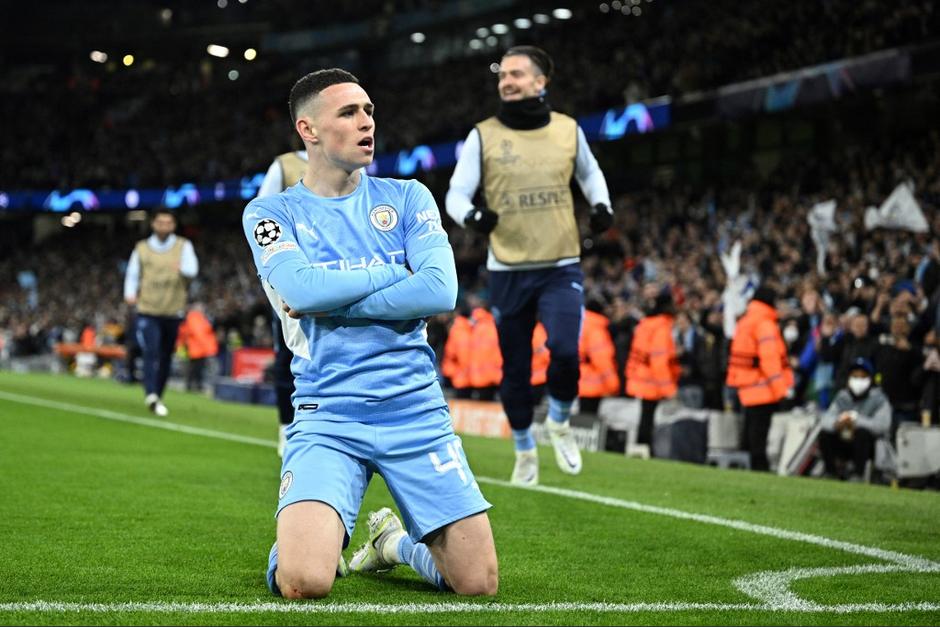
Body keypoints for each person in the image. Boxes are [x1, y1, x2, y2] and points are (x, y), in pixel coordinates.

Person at [242, 68, 498, 600]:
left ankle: (393, 544)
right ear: (308, 130)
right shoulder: (271, 212)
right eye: (349, 112)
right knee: (305, 582)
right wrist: (393, 274)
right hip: (329, 415)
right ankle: (300, 545)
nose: (367, 122)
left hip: (416, 412)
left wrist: (329, 299)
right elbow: (300, 289)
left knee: (477, 584)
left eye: (369, 111)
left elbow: (439, 290)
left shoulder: (408, 198)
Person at [445, 45, 613, 486]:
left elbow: (590, 173)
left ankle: (559, 420)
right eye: (503, 75)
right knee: (516, 368)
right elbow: (456, 194)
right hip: (508, 267)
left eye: (517, 74)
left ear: (541, 82)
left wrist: (601, 204)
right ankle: (523, 448)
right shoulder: (483, 135)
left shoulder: (567, 129)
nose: (507, 81)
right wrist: (472, 216)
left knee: (565, 351)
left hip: (560, 262)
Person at [256, 148, 309, 457]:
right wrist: (275, 266)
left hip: (335, 271)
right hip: (293, 273)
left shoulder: (349, 164)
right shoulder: (284, 166)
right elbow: (260, 215)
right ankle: (287, 426)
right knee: (289, 354)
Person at [123, 209, 199, 416]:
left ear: (173, 225)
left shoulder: (183, 246)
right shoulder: (142, 248)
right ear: (153, 224)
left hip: (173, 310)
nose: (164, 226)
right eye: (160, 222)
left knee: (166, 354)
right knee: (151, 350)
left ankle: (158, 394)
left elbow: (192, 270)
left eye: (168, 222)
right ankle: (150, 393)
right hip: (148, 308)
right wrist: (130, 293)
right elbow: (132, 273)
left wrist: (181, 269)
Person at [726, 285, 794, 471]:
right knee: (759, 436)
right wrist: (781, 390)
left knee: (750, 433)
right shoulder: (765, 324)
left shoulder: (746, 321)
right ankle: (759, 469)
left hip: (747, 385)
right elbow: (770, 361)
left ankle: (746, 468)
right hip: (763, 388)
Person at [818, 357, 891, 481]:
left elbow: (882, 425)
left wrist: (856, 421)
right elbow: (826, 419)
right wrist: (837, 423)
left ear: (870, 379)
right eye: (855, 376)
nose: (858, 381)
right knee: (824, 434)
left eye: (862, 377)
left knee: (862, 434)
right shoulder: (843, 397)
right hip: (844, 440)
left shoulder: (879, 399)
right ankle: (831, 473)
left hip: (869, 447)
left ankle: (858, 475)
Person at [624, 291, 679, 453]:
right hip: (652, 381)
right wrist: (670, 390)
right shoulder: (661, 328)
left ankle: (642, 447)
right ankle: (645, 448)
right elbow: (659, 362)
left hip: (641, 376)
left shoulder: (646, 324)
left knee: (645, 416)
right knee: (648, 417)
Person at [176, 302, 219, 392]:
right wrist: (207, 347)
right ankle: (193, 385)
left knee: (196, 368)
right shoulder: (195, 318)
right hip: (197, 348)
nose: (202, 309)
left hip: (198, 348)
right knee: (195, 368)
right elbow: (199, 334)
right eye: (201, 308)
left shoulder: (198, 318)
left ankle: (193, 385)